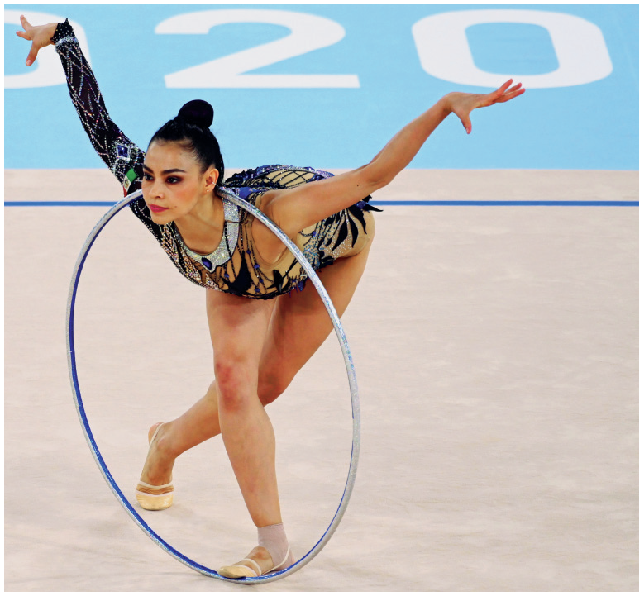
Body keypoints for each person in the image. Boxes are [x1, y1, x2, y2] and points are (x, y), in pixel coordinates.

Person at [17, 15, 525, 579]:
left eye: (173, 180)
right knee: (236, 383)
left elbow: (374, 174)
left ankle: (165, 439)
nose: (155, 191)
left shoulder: (277, 217)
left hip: (328, 250)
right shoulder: (149, 201)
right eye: (152, 176)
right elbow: (98, 119)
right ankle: (271, 542)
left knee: (269, 385)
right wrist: (61, 35)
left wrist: (441, 106)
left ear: (209, 181)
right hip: (240, 276)